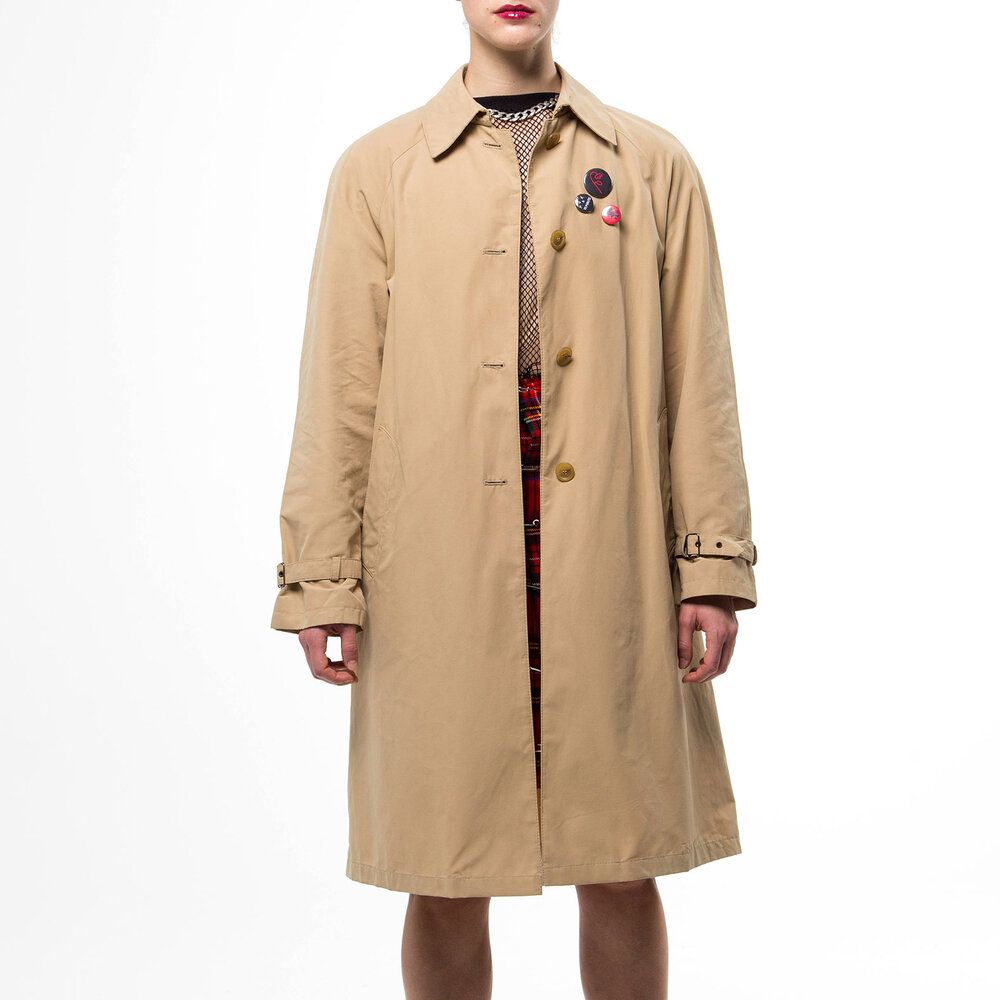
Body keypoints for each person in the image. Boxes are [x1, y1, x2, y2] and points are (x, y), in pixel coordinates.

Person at [270, 2, 758, 996]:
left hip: (613, 544)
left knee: (620, 856)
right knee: (445, 864)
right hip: (436, 553)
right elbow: (340, 386)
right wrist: (322, 578)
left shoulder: (652, 163)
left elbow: (698, 378)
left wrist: (710, 565)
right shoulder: (379, 169)